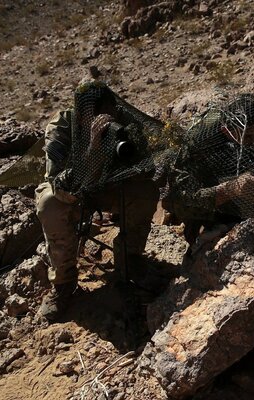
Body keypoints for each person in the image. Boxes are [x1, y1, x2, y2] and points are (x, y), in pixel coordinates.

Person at [35, 80, 160, 322]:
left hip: (109, 185)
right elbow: (59, 183)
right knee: (49, 204)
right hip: (72, 191)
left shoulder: (121, 118)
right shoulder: (60, 127)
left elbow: (147, 163)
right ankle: (64, 282)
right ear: (81, 116)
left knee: (146, 189)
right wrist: (93, 147)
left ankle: (129, 258)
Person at [163, 95, 254, 248]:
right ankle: (201, 228)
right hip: (185, 196)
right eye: (249, 136)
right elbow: (187, 197)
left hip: (220, 177)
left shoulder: (247, 131)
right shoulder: (197, 145)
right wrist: (232, 188)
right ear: (226, 131)